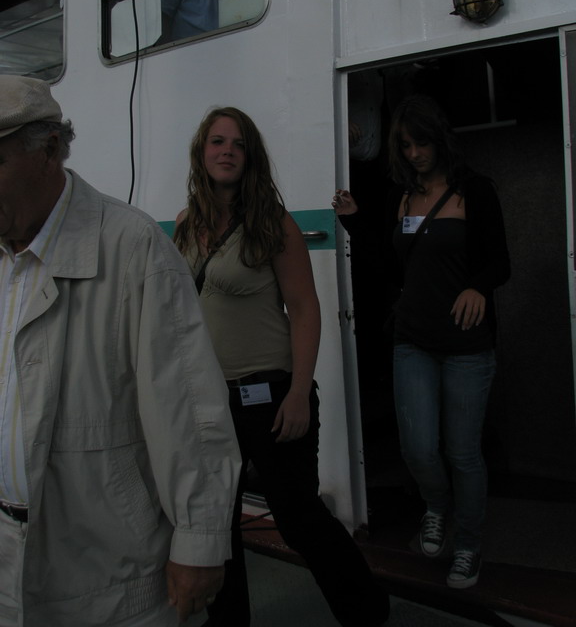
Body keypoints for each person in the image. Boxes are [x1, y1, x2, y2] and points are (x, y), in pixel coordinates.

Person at [0, 75, 242, 627]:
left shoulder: (133, 247)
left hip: (110, 574)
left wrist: (200, 540)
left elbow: (188, 407)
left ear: (49, 151)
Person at [173, 106, 389, 627]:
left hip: (270, 395)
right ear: (202, 152)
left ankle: (367, 613)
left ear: (251, 157)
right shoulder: (184, 225)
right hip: (210, 401)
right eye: (217, 141)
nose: (227, 151)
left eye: (238, 144)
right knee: (217, 524)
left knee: (298, 518)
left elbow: (305, 310)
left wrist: (297, 393)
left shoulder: (273, 223)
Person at [333, 94, 510, 590]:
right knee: (417, 448)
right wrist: (354, 220)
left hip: (467, 346)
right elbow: (391, 269)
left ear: (440, 140)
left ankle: (468, 544)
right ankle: (436, 507)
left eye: (422, 143)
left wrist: (478, 286)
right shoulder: (401, 197)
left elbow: (500, 261)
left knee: (463, 453)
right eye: (406, 146)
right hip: (412, 340)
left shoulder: (475, 191)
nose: (414, 154)